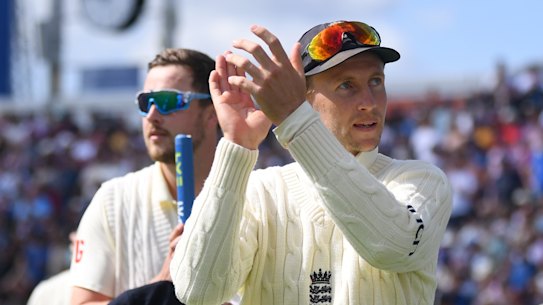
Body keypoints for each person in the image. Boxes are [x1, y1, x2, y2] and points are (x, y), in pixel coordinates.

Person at [170, 20, 453, 305]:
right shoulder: (259, 190)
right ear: (304, 98)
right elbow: (198, 290)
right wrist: (237, 146)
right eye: (346, 85)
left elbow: (390, 248)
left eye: (375, 81)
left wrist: (295, 119)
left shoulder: (423, 181)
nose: (369, 101)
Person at [69, 48, 219, 305]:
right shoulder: (113, 200)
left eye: (168, 101)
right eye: (144, 102)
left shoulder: (257, 197)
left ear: (212, 113)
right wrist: (159, 289)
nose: (151, 115)